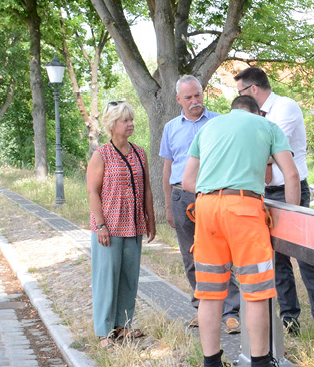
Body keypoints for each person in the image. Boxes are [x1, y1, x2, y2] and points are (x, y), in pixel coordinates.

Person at [181, 93, 301, 367]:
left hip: (206, 210)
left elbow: (187, 181)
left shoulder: (208, 128)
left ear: (231, 111)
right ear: (258, 113)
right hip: (244, 211)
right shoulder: (268, 127)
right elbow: (292, 174)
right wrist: (294, 221)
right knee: (256, 291)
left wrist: (216, 187)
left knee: (209, 294)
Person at [233, 66, 314, 349]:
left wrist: (259, 154)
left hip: (292, 192)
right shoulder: (257, 117)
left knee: (306, 260)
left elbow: (267, 147)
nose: (239, 98)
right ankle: (290, 322)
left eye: (240, 92)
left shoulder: (285, 107)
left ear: (253, 89)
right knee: (277, 262)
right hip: (265, 192)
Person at [160, 75, 243, 334]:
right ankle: (203, 308)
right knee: (191, 256)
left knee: (221, 256)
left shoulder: (220, 122)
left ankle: (230, 312)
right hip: (181, 198)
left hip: (214, 197)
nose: (194, 101)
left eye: (197, 95)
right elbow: (167, 168)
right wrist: (167, 205)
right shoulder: (171, 128)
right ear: (178, 100)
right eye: (188, 98)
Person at [87, 101, 156, 349]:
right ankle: (104, 332)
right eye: (125, 120)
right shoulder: (101, 154)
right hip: (110, 226)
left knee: (129, 278)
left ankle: (123, 325)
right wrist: (100, 225)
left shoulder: (140, 153)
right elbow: (93, 192)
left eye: (131, 120)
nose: (131, 124)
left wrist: (150, 219)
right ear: (112, 125)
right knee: (106, 278)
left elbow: (147, 188)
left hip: (134, 224)